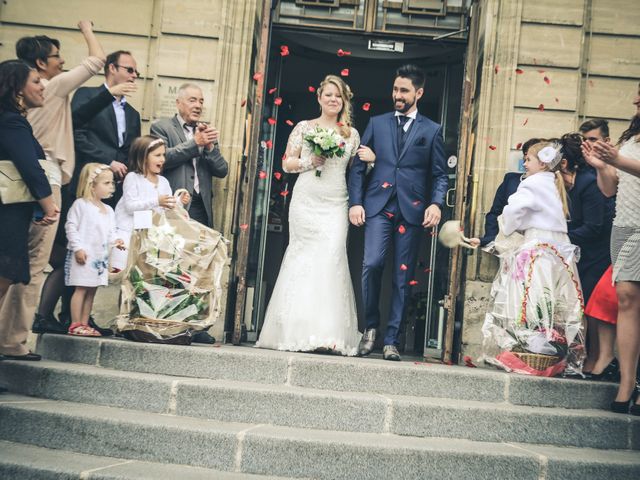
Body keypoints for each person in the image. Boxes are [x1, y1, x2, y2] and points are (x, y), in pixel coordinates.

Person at [10, 22, 108, 336]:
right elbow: (97, 61)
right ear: (40, 63)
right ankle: (15, 340)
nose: (61, 61)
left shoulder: (35, 93)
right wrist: (88, 30)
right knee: (34, 263)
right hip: (46, 178)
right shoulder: (51, 86)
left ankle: (10, 335)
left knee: (19, 261)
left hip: (33, 177)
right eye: (56, 56)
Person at [256, 75, 364, 355]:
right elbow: (286, 163)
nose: (333, 100)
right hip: (306, 200)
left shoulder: (350, 134)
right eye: (328, 95)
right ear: (319, 98)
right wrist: (309, 161)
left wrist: (371, 161)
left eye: (338, 96)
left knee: (332, 256)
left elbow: (355, 173)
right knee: (302, 257)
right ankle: (297, 329)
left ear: (344, 101)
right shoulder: (305, 128)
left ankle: (329, 332)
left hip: (335, 201)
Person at [348, 64, 447, 361]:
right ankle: (371, 329)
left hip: (412, 209)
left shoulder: (432, 130)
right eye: (395, 90)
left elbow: (440, 174)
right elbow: (357, 166)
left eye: (404, 91)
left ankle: (392, 340)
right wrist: (356, 202)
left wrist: (435, 203)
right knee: (373, 263)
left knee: (402, 277)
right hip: (378, 205)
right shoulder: (377, 123)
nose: (397, 95)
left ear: (419, 93)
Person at [480, 141, 585, 376]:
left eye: (528, 159)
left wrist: (508, 228)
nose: (524, 164)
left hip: (537, 244)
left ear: (542, 163)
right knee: (554, 298)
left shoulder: (532, 183)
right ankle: (551, 352)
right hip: (558, 247)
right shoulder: (554, 183)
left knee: (529, 296)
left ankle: (531, 350)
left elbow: (512, 211)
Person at [582, 83, 640, 415]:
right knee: (626, 301)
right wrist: (602, 166)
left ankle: (632, 384)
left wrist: (616, 158)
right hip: (624, 225)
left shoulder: (624, 148)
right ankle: (627, 382)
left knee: (631, 297)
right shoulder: (631, 139)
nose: (634, 100)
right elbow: (609, 189)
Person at [0, 60, 59, 361]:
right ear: (18, 88)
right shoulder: (10, 120)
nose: (42, 86)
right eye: (36, 80)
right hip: (6, 219)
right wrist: (48, 204)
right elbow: (30, 166)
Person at [150, 83, 228, 228]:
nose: (198, 105)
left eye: (201, 101)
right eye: (192, 100)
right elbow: (162, 160)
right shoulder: (161, 127)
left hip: (201, 206)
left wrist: (209, 147)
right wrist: (195, 143)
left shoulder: (206, 132)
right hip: (174, 202)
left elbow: (222, 170)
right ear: (178, 103)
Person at [112, 135, 190, 271]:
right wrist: (157, 201)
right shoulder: (133, 178)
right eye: (157, 155)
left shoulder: (163, 182)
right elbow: (130, 207)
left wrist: (178, 202)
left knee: (142, 279)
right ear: (143, 157)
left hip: (150, 237)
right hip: (129, 236)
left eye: (163, 155)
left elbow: (167, 210)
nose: (162, 159)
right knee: (127, 276)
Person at [72, 50, 141, 203]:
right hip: (88, 184)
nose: (134, 75)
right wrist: (109, 161)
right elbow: (76, 135)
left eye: (136, 72)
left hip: (118, 191)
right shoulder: (87, 95)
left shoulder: (133, 114)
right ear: (112, 68)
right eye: (129, 70)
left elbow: (132, 151)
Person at [65, 163, 124, 336]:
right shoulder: (80, 205)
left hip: (100, 258)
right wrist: (77, 248)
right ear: (91, 185)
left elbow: (111, 231)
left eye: (112, 183)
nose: (111, 187)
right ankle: (75, 324)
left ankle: (85, 323)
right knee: (81, 289)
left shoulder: (109, 210)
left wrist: (117, 240)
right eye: (106, 183)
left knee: (92, 290)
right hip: (84, 256)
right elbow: (71, 227)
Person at [471, 138, 542, 248]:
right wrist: (491, 241)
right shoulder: (511, 180)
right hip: (508, 247)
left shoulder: (551, 185)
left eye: (529, 159)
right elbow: (495, 213)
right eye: (525, 157)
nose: (525, 163)